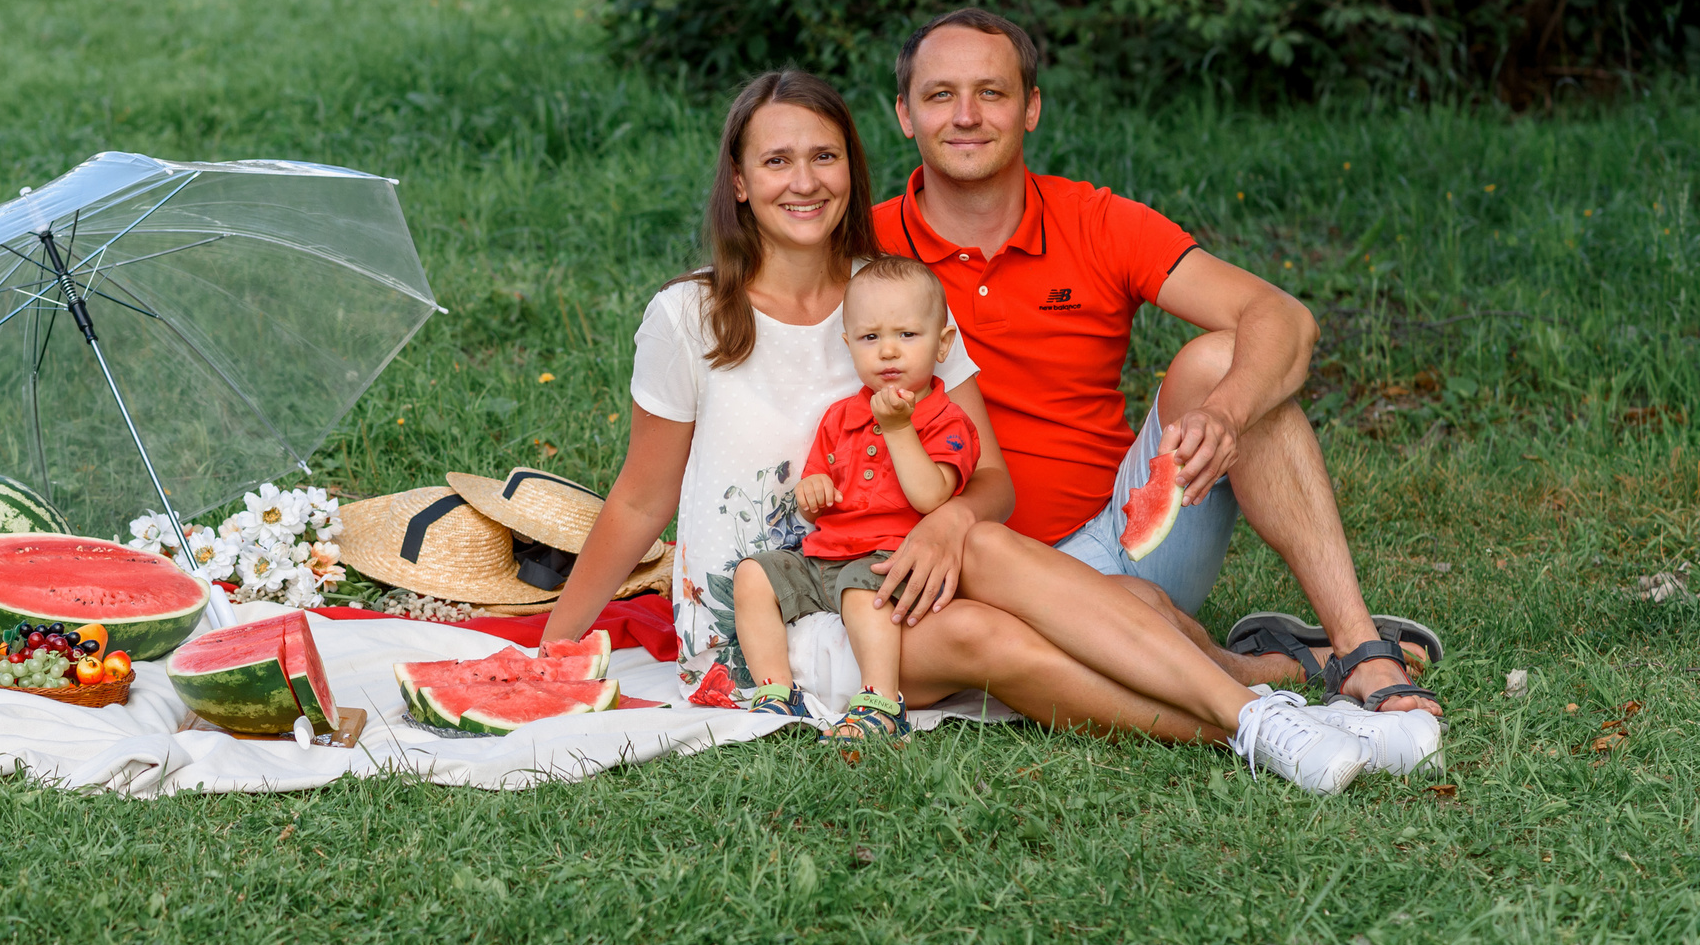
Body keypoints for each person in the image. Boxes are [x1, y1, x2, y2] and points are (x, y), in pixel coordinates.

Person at [543, 69, 1371, 795]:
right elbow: (640, 498)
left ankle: (1269, 712)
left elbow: (991, 484)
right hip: (762, 624)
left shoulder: (899, 296)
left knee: (1058, 573)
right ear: (740, 179)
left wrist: (946, 521)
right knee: (991, 630)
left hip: (890, 585)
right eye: (776, 160)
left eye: (825, 157)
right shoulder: (687, 314)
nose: (804, 180)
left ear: (853, 170)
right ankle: (1252, 725)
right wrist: (554, 645)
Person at [871, 8, 1443, 761]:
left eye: (993, 92)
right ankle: (1248, 668)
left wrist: (1227, 413)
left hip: (1117, 541)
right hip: (953, 568)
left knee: (1226, 362)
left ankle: (1359, 647)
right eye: (941, 95)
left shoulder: (1095, 219)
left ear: (1032, 108)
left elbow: (1283, 318)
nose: (968, 115)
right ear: (904, 113)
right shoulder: (866, 247)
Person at [730, 257, 979, 741]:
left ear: (943, 343)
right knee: (753, 574)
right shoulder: (840, 416)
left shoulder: (948, 421)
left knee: (867, 592)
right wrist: (812, 494)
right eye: (870, 338)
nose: (888, 351)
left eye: (907, 335)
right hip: (823, 558)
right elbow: (814, 492)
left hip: (891, 561)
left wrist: (898, 428)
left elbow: (932, 497)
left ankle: (881, 704)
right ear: (849, 346)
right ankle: (775, 691)